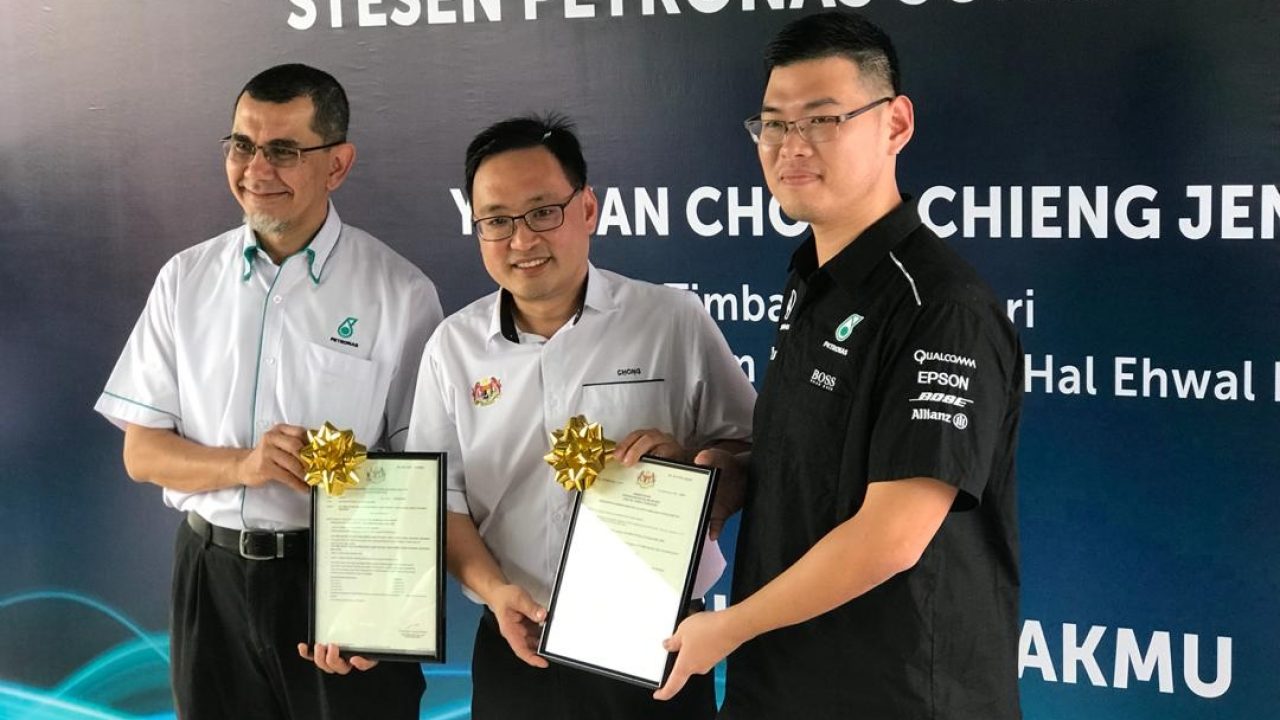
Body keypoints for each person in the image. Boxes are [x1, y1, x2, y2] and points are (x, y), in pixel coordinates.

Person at [655, 11, 1024, 719]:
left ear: (895, 124)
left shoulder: (942, 307)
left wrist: (729, 627)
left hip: (896, 693)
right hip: (785, 683)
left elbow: (893, 535)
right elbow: (825, 458)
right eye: (773, 124)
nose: (791, 145)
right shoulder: (813, 279)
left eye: (823, 119)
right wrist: (733, 476)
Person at [94, 63, 441, 719]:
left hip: (336, 579)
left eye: (283, 150)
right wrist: (246, 465)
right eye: (242, 145)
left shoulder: (400, 293)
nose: (256, 169)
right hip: (210, 577)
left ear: (337, 165)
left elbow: (418, 476)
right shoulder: (185, 279)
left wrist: (378, 613)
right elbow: (142, 454)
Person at [407, 114, 754, 719]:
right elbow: (442, 501)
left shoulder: (671, 320)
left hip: (657, 645)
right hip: (519, 641)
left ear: (587, 208)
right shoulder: (453, 348)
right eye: (496, 220)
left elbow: (749, 453)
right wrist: (496, 593)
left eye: (543, 212)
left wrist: (695, 470)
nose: (522, 240)